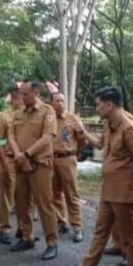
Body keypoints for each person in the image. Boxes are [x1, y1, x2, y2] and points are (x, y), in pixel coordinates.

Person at [63, 87, 133, 266]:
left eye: (99, 104)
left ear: (109, 105)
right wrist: (82, 131)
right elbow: (100, 145)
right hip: (109, 189)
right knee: (101, 230)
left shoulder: (129, 128)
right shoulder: (110, 124)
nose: (96, 108)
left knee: (129, 234)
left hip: (125, 191)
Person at [8, 80, 59, 261]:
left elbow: (47, 137)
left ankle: (52, 242)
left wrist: (27, 155)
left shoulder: (47, 111)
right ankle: (26, 237)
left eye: (25, 94)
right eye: (21, 94)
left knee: (44, 205)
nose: (22, 97)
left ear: (36, 93)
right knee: (22, 204)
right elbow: (11, 136)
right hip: (21, 164)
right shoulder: (18, 113)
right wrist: (19, 156)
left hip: (39, 165)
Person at [50, 92, 87, 243]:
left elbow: (83, 140)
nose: (60, 103)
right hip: (52, 159)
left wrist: (75, 153)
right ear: (51, 103)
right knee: (54, 194)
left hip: (67, 159)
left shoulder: (72, 119)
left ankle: (77, 227)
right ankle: (61, 222)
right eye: (57, 101)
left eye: (62, 100)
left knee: (72, 194)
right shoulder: (49, 119)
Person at [0, 87, 24, 244]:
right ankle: (4, 229)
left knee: (24, 196)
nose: (22, 100)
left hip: (25, 161)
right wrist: (4, 160)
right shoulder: (3, 117)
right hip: (9, 159)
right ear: (14, 99)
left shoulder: (29, 116)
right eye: (20, 97)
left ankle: (23, 228)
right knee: (7, 196)